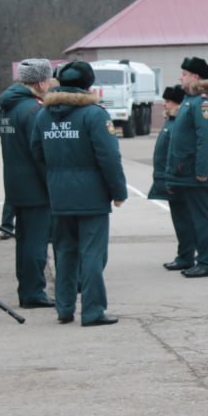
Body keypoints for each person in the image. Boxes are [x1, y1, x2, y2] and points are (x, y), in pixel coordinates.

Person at [30, 60, 127, 326]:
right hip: (92, 195)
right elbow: (108, 157)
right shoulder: (94, 114)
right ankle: (93, 310)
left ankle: (64, 308)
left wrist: (55, 177)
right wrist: (118, 191)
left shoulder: (44, 114)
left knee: (64, 252)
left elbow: (36, 152)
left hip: (59, 195)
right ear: (89, 85)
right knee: (93, 254)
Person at [0, 57, 56, 309]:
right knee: (36, 242)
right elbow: (40, 151)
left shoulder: (7, 108)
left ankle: (27, 289)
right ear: (41, 83)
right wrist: (52, 183)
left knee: (24, 241)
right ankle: (33, 292)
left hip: (15, 183)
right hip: (35, 187)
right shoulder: (34, 110)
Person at [169, 56, 208, 278]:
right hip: (186, 170)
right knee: (192, 217)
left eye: (185, 74)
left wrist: (202, 170)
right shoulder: (190, 101)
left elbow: (206, 139)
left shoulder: (204, 102)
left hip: (196, 172)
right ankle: (194, 258)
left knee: (202, 218)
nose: (181, 78)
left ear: (196, 77)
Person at [151, 85, 195, 271]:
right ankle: (185, 254)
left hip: (175, 178)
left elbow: (175, 153)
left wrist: (170, 177)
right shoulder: (171, 121)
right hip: (167, 176)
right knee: (180, 220)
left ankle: (186, 256)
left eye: (168, 102)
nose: (165, 105)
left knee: (184, 220)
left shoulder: (178, 122)